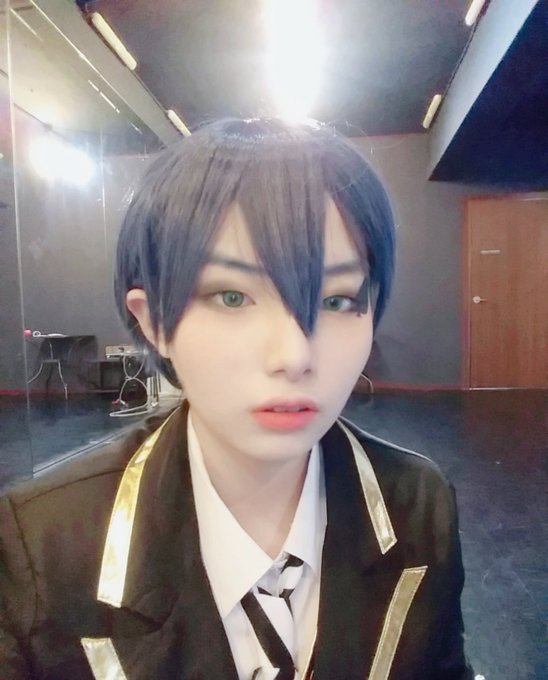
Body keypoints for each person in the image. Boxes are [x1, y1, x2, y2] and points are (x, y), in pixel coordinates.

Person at [0, 117, 474, 679]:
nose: (294, 355)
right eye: (232, 296)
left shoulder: (416, 504)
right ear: (153, 322)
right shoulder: (43, 543)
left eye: (337, 301)